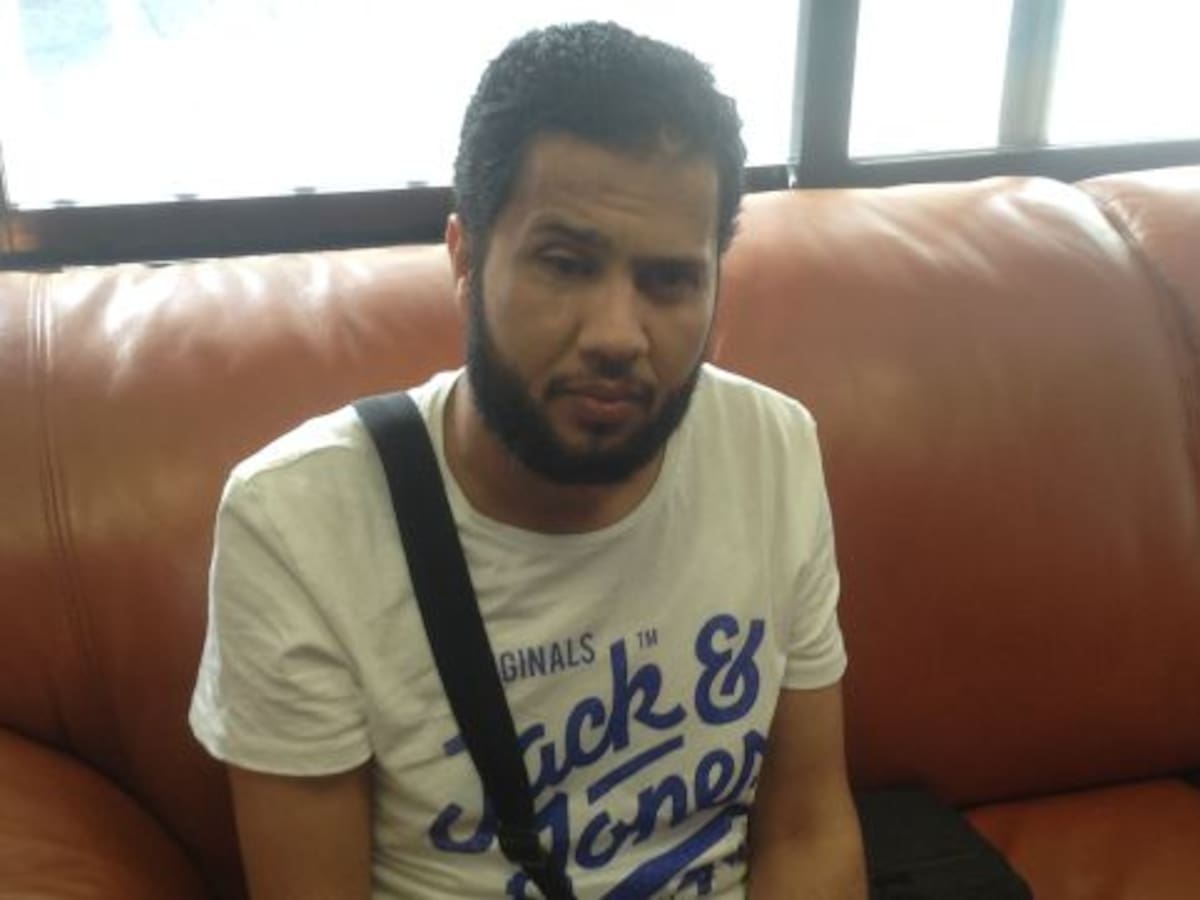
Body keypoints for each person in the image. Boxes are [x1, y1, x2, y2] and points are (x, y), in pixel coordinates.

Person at [190, 20, 866, 900]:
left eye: (669, 280)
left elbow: (808, 828)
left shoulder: (772, 448)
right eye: (565, 263)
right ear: (465, 258)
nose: (619, 335)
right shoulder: (297, 525)